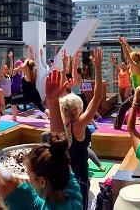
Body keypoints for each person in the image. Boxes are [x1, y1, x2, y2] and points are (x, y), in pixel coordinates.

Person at [0, 71, 83, 209]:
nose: (26, 180)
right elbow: (61, 156)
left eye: (29, 176)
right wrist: (53, 102)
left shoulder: (33, 206)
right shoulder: (74, 197)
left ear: (42, 182)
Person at [46, 48, 104, 205]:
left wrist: (65, 66)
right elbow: (98, 96)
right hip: (80, 177)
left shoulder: (62, 124)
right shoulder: (79, 125)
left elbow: (61, 94)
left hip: (65, 176)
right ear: (77, 110)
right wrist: (97, 67)